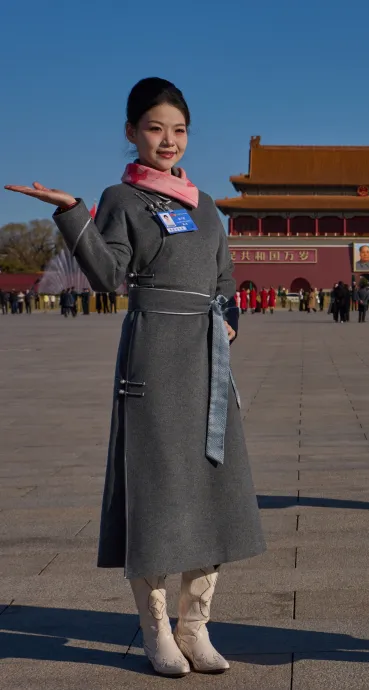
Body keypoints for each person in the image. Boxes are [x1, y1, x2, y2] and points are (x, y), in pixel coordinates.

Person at [5, 77, 265, 677]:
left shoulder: (204, 205)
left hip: (207, 360)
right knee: (157, 495)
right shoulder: (122, 199)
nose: (168, 140)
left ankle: (196, 625)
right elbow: (105, 274)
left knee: (211, 492)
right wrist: (72, 213)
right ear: (131, 133)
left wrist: (227, 320)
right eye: (155, 128)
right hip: (154, 355)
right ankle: (155, 631)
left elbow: (224, 279)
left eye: (178, 130)